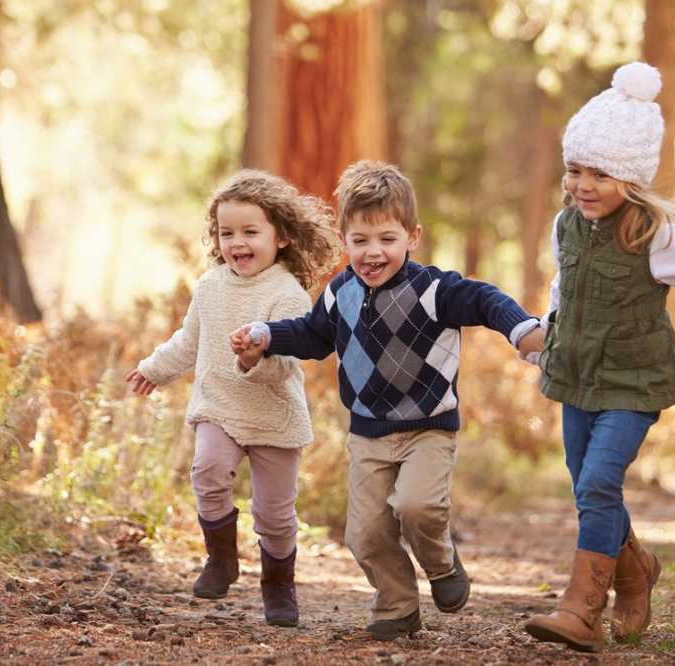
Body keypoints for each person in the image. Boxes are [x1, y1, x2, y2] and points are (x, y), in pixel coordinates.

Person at [230, 161, 545, 640]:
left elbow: (485, 299)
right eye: (360, 241)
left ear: (412, 237)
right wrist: (265, 335)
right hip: (368, 431)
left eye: (386, 239)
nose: (372, 253)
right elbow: (313, 337)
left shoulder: (434, 290)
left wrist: (521, 329)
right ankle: (397, 604)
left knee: (418, 507)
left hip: (428, 425)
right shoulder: (341, 294)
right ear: (345, 241)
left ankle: (440, 565)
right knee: (366, 534)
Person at [522, 62, 675, 653]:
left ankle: (582, 609)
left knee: (600, 480)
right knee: (586, 484)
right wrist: (546, 334)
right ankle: (636, 570)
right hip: (577, 374)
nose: (583, 185)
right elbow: (567, 286)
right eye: (574, 170)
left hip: (634, 381)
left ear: (631, 179)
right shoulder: (568, 225)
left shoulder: (654, 235)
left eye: (600, 174)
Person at [126, 170, 340, 627]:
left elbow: (286, 366)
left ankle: (278, 585)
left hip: (274, 417)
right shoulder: (210, 286)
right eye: (227, 233)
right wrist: (153, 370)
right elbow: (188, 341)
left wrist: (253, 359)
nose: (237, 243)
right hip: (219, 406)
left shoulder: (288, 294)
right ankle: (221, 558)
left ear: (280, 236)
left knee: (276, 517)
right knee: (206, 471)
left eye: (250, 232)